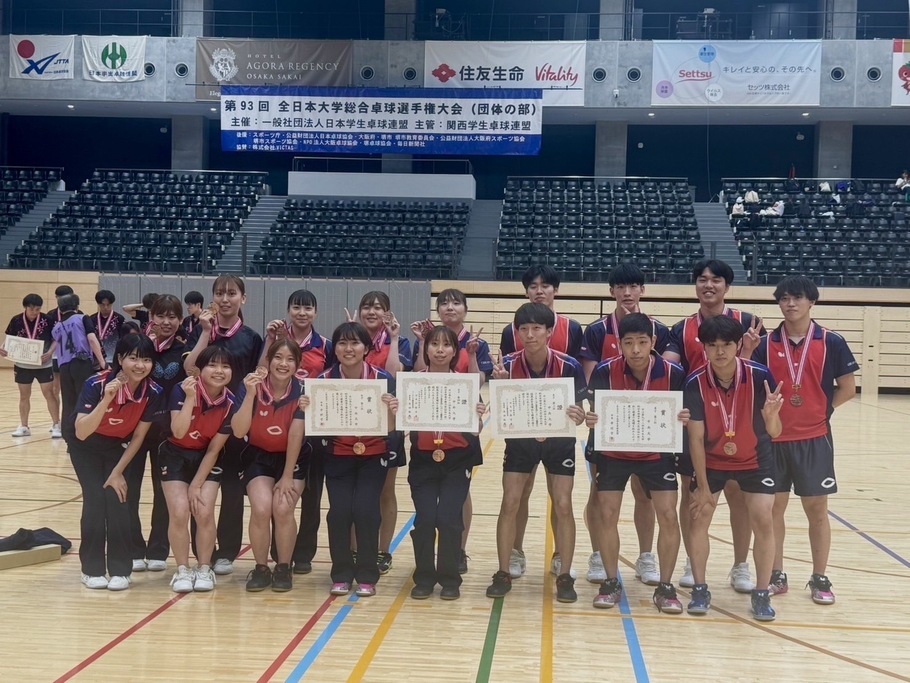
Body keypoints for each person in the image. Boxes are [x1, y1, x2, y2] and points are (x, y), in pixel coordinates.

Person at [754, 276, 858, 605]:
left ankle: (819, 577)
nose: (790, 303)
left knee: (816, 509)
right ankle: (776, 573)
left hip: (815, 439)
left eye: (797, 297)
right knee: (773, 510)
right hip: (774, 438)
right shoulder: (765, 343)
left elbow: (847, 387)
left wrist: (821, 412)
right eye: (783, 298)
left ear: (812, 301)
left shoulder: (832, 341)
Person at [663, 259, 763, 593]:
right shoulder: (680, 328)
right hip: (696, 423)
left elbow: (761, 375)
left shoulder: (750, 323)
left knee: (738, 496)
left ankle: (740, 565)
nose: (708, 285)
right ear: (695, 286)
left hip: (741, 424)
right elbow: (670, 367)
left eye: (716, 280)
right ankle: (694, 561)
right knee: (693, 495)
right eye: (702, 280)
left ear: (727, 286)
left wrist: (749, 351)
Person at [584, 313, 688, 612]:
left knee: (668, 515)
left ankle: (666, 587)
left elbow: (687, 413)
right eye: (629, 343)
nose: (636, 350)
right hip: (614, 453)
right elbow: (596, 414)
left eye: (643, 342)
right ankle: (611, 581)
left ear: (654, 342)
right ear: (619, 344)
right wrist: (593, 420)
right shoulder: (604, 370)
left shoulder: (674, 373)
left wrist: (684, 416)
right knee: (607, 514)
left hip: (657, 454)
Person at [684, 315, 783, 621]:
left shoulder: (759, 375)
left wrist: (770, 416)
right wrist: (702, 486)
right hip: (712, 461)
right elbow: (696, 439)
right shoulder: (695, 382)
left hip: (755, 459)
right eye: (712, 346)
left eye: (727, 345)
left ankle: (762, 593)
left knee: (763, 518)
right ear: (704, 348)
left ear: (739, 345)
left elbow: (776, 432)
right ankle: (700, 587)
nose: (720, 352)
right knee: (698, 517)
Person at [486, 303, 587, 603]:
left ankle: (565, 575)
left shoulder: (570, 365)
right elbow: (500, 414)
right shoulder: (506, 365)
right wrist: (500, 387)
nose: (530, 335)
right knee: (510, 502)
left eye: (536, 329)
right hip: (520, 442)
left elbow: (580, 410)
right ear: (517, 333)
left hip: (559, 442)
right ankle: (504, 571)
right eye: (523, 329)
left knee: (564, 504)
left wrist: (579, 415)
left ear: (549, 332)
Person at [579, 263, 672, 585]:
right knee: (600, 495)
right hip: (609, 428)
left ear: (642, 291)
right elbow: (592, 381)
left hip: (649, 430)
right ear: (612, 292)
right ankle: (597, 553)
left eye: (634, 286)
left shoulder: (658, 329)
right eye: (621, 287)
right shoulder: (595, 331)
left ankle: (646, 556)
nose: (628, 293)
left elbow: (667, 371)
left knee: (644, 495)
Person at [501, 265, 583, 581]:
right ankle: (515, 553)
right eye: (532, 285)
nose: (539, 289)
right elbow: (508, 378)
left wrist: (579, 411)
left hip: (558, 429)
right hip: (523, 428)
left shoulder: (572, 330)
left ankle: (562, 556)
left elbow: (577, 391)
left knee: (560, 498)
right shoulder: (513, 333)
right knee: (517, 495)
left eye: (545, 285)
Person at [70, 334, 165, 591]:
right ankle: (91, 569)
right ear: (120, 359)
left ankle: (121, 569)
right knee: (95, 500)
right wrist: (106, 400)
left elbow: (138, 437)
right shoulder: (96, 383)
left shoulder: (153, 392)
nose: (140, 365)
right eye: (133, 358)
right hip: (85, 446)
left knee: (119, 500)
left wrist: (117, 472)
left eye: (146, 359)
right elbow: (81, 431)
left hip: (119, 448)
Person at [183, 275, 263, 576]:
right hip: (201, 423)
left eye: (232, 293)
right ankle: (201, 549)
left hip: (236, 423)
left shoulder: (252, 338)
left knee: (231, 491)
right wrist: (204, 332)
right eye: (220, 293)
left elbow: (259, 376)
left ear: (243, 298)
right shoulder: (200, 332)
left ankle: (227, 551)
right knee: (199, 489)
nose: (225, 299)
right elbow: (190, 367)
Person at [410, 288, 494, 574]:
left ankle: (458, 550)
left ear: (465, 309)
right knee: (429, 511)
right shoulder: (426, 338)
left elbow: (477, 380)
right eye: (443, 302)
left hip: (461, 422)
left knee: (459, 497)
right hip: (429, 430)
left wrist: (470, 353)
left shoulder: (476, 343)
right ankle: (429, 564)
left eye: (456, 302)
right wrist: (422, 342)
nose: (449, 307)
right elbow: (418, 378)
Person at [314, 322, 397, 598]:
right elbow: (316, 425)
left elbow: (394, 428)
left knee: (366, 512)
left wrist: (394, 411)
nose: (348, 349)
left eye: (355, 343)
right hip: (337, 456)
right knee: (339, 512)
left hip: (373, 457)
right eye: (342, 343)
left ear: (366, 348)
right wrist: (308, 408)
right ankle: (340, 573)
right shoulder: (323, 382)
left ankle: (367, 574)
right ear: (334, 348)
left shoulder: (383, 379)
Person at [261, 290, 333, 576]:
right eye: (297, 307)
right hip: (277, 428)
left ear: (315, 312)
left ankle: (304, 553)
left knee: (311, 497)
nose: (302, 313)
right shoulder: (276, 339)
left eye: (307, 308)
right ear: (289, 310)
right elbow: (261, 374)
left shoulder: (325, 345)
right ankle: (279, 553)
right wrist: (269, 341)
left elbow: (330, 383)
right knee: (277, 492)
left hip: (313, 430)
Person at [233, 340, 307, 593]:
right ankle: (262, 568)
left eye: (289, 359)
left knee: (283, 508)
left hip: (292, 458)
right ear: (268, 360)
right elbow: (239, 429)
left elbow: (296, 435)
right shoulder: (251, 386)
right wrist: (251, 395)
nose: (283, 364)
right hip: (258, 456)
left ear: (298, 365)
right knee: (262, 508)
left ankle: (284, 567)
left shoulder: (303, 392)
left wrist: (287, 476)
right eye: (278, 358)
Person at [162, 346, 237, 593]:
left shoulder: (230, 403)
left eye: (225, 366)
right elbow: (179, 431)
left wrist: (196, 484)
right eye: (212, 365)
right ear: (200, 370)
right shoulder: (181, 390)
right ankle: (183, 569)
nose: (219, 371)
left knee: (203, 512)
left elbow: (215, 449)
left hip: (206, 458)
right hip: (174, 455)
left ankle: (204, 568)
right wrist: (191, 399)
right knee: (180, 511)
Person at [352, 291, 411, 576]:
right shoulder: (350, 341)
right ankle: (352, 550)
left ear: (388, 313)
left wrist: (395, 338)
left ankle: (382, 550)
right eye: (367, 307)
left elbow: (393, 376)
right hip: (353, 426)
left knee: (385, 492)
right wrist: (353, 337)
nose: (372, 312)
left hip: (388, 426)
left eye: (378, 308)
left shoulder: (399, 342)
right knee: (353, 492)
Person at [127, 294, 187, 573]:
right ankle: (134, 547)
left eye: (172, 316)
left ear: (180, 320)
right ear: (151, 318)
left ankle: (159, 549)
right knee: (130, 490)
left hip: (168, 434)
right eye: (161, 316)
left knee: (164, 493)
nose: (166, 321)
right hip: (135, 429)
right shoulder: (141, 350)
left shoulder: (184, 354)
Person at [2, 294, 59, 438]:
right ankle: (24, 426)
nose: (35, 312)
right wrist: (3, 347)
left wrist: (50, 352)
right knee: (24, 395)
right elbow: (9, 339)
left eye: (38, 309)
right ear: (25, 307)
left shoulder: (48, 320)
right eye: (32, 309)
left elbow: (56, 339)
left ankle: (56, 425)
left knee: (49, 394)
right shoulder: (16, 320)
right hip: (22, 364)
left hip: (43, 364)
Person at [53, 293, 108, 442]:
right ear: (77, 306)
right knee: (84, 399)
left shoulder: (56, 327)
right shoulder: (82, 318)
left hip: (64, 366)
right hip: (81, 363)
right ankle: (83, 436)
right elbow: (91, 339)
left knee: (68, 401)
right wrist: (103, 362)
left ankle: (68, 437)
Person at [47, 284, 75, 425]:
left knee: (70, 389)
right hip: (55, 356)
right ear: (56, 298)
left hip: (72, 357)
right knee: (54, 389)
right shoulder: (50, 315)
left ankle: (71, 420)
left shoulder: (79, 314)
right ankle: (56, 422)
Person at [92, 289, 126, 364]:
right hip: (96, 359)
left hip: (114, 358)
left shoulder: (119, 319)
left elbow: (123, 338)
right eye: (103, 305)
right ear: (98, 304)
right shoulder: (92, 319)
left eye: (108, 305)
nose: (106, 307)